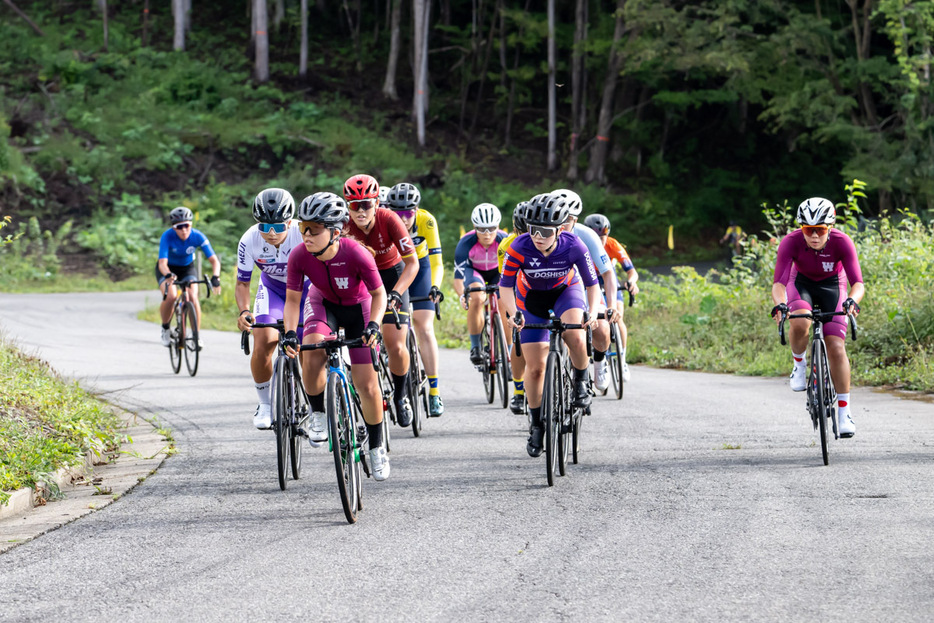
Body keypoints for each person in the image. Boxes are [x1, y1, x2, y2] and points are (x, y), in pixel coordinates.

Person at [282, 191, 390, 480]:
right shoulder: (299, 255)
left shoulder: (356, 253)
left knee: (367, 385)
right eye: (303, 228)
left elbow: (379, 294)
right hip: (324, 304)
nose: (305, 235)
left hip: (360, 309)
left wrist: (375, 326)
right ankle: (318, 414)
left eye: (313, 230)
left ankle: (377, 447)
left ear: (335, 230)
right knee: (311, 348)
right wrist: (291, 333)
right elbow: (293, 300)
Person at [499, 192, 601, 457]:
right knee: (535, 369)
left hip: (565, 292)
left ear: (560, 230)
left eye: (545, 231)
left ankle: (581, 381)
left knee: (576, 335)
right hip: (530, 298)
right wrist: (513, 314)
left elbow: (592, 284)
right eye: (534, 230)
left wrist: (592, 310)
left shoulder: (574, 244)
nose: (538, 236)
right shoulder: (519, 247)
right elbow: (505, 287)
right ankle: (536, 424)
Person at [770, 197, 864, 437]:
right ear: (801, 229)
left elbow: (858, 284)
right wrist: (781, 305)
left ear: (829, 228)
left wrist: (852, 301)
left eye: (820, 230)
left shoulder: (842, 242)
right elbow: (779, 283)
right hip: (800, 284)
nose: (814, 236)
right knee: (800, 320)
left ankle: (845, 413)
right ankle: (799, 365)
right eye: (808, 230)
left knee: (836, 346)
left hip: (834, 285)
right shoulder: (790, 242)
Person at [342, 174, 419, 428]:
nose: (361, 211)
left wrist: (397, 293)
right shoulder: (343, 225)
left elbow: (412, 263)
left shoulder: (390, 219)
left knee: (395, 343)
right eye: (355, 205)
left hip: (391, 275)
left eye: (366, 204)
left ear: (377, 203)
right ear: (347, 206)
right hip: (362, 280)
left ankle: (400, 394)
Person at [235, 188, 309, 430]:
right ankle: (265, 404)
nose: (271, 233)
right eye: (264, 227)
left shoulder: (304, 233)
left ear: (290, 222)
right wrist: (244, 311)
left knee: (309, 346)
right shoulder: (249, 239)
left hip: (307, 289)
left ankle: (315, 403)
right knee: (264, 339)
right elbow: (243, 282)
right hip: (273, 290)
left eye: (278, 227)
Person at [386, 182, 446, 417]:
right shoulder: (385, 222)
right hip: (395, 268)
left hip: (420, 268)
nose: (403, 219)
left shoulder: (426, 220)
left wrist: (435, 286)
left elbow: (437, 261)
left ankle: (434, 391)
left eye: (408, 213)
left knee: (424, 326)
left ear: (417, 210)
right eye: (397, 213)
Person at [552, 189, 618, 393]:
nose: (561, 225)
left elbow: (607, 274)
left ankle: (599, 362)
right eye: (558, 218)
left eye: (567, 219)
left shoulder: (587, 236)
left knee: (601, 328)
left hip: (585, 287)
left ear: (575, 219)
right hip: (554, 290)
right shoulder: (544, 234)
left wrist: (612, 306)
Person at [583, 213, 639, 383]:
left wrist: (631, 281)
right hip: (589, 281)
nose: (601, 241)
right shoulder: (582, 243)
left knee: (617, 318)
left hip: (608, 280)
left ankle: (622, 359)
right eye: (597, 237)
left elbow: (631, 271)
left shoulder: (613, 244)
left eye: (604, 236)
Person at [156, 207, 221, 347]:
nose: (184, 230)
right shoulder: (167, 236)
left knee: (192, 296)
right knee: (171, 296)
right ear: (174, 227)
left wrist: (216, 277)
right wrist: (167, 274)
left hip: (187, 268)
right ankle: (165, 328)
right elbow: (162, 263)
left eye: (187, 225)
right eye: (179, 227)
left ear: (191, 225)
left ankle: (195, 335)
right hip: (168, 269)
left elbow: (214, 260)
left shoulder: (198, 236)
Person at [453, 203, 507, 366]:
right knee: (476, 297)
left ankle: (509, 352)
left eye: (491, 228)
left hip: (497, 272)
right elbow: (458, 278)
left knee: (504, 303)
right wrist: (463, 295)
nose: (487, 233)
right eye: (481, 229)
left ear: (497, 226)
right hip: (474, 271)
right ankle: (475, 346)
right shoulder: (465, 243)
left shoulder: (504, 240)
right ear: (474, 227)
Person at [498, 201, 529, 414]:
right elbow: (506, 284)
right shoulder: (506, 246)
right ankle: (519, 390)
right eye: (521, 231)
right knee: (518, 334)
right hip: (519, 289)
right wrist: (514, 313)